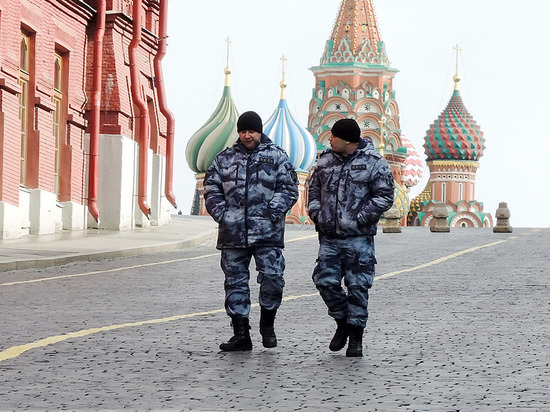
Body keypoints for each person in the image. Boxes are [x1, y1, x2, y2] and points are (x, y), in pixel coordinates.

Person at [203, 111, 299, 352]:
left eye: (251, 131)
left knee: (273, 278)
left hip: (267, 233)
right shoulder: (224, 158)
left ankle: (267, 324)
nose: (247, 136)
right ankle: (241, 333)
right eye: (243, 131)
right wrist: (222, 214)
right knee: (235, 283)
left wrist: (272, 211)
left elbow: (289, 189)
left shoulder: (276, 156)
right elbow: (211, 187)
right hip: (233, 233)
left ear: (260, 132)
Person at [307, 118, 394, 357]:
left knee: (357, 287)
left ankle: (356, 336)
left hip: (358, 238)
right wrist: (317, 213)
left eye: (333, 136)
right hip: (329, 237)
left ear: (347, 140)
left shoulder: (375, 163)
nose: (329, 139)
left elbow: (385, 196)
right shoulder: (325, 161)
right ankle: (343, 320)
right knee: (324, 281)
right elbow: (313, 190)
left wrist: (359, 218)